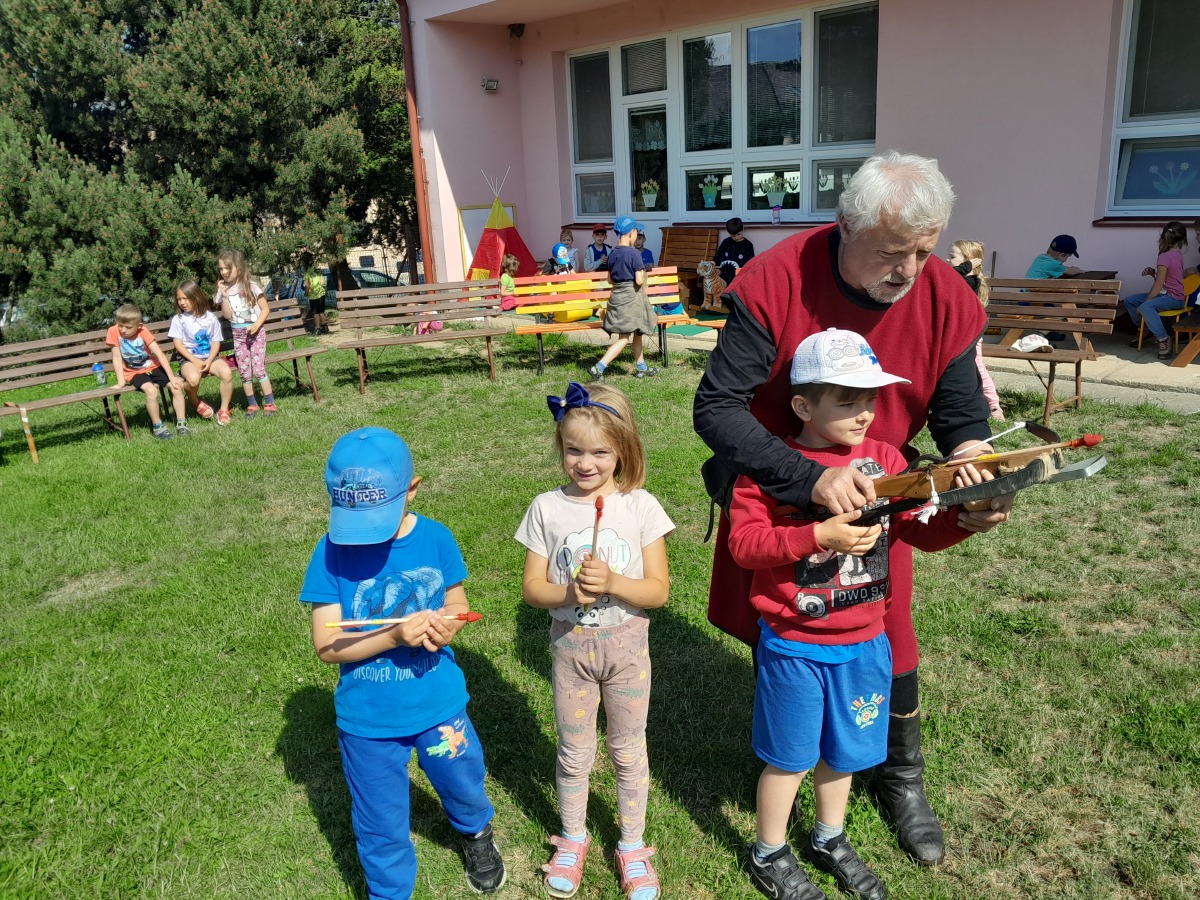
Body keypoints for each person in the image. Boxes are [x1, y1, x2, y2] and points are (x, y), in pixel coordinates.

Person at [694, 150, 1011, 868]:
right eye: (892, 252)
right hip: (778, 489)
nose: (910, 270)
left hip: (879, 488)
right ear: (845, 226)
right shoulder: (777, 279)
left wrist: (972, 470)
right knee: (789, 624)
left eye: (924, 251)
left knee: (886, 633)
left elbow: (960, 414)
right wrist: (808, 479)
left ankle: (901, 778)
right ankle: (793, 749)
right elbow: (717, 407)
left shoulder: (944, 295)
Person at [734, 329, 974, 900]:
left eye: (870, 398)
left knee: (843, 754)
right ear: (803, 406)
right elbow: (745, 545)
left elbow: (917, 528)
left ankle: (829, 837)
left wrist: (966, 518)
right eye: (847, 400)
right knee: (790, 759)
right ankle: (769, 852)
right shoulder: (770, 466)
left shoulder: (887, 459)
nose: (865, 412)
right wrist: (817, 535)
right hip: (795, 644)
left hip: (866, 642)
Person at [300, 427, 507, 899]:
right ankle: (389, 891)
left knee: (462, 780)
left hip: (438, 702)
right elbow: (328, 644)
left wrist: (450, 625)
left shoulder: (435, 539)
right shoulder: (330, 551)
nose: (364, 534)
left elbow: (457, 604)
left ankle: (476, 831)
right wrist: (391, 636)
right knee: (379, 818)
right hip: (367, 719)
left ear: (412, 489)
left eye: (376, 519)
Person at [515, 382, 673, 900]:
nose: (585, 463)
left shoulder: (640, 507)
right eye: (574, 450)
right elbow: (532, 589)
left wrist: (614, 583)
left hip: (627, 654)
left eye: (600, 452)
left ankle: (632, 844)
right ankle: (573, 836)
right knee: (574, 750)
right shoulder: (546, 508)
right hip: (571, 651)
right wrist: (570, 592)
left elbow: (658, 592)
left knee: (628, 750)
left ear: (623, 451)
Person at [589, 216, 658, 381]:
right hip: (631, 299)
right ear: (631, 233)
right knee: (624, 338)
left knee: (638, 331)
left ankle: (641, 367)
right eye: (636, 232)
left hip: (617, 297)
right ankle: (599, 367)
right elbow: (639, 281)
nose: (637, 235)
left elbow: (609, 280)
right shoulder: (634, 253)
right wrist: (643, 273)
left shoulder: (612, 253)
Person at [106, 303, 188, 439]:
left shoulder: (143, 331)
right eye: (120, 325)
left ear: (139, 326)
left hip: (153, 366)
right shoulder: (113, 332)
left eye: (128, 327)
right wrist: (121, 382)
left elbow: (159, 354)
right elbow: (117, 358)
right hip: (134, 372)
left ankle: (181, 423)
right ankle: (158, 426)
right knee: (151, 391)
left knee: (176, 387)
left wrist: (172, 377)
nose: (123, 330)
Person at [213, 248, 276, 418]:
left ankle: (270, 402)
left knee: (258, 369)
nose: (223, 272)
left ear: (239, 267)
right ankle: (252, 404)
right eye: (221, 268)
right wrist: (224, 296)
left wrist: (256, 325)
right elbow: (227, 315)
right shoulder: (223, 290)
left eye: (228, 268)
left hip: (256, 334)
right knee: (244, 371)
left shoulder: (251, 286)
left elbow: (265, 309)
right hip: (238, 335)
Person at [948, 240, 1004, 419]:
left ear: (969, 261)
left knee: (978, 367)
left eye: (952, 256)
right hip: (955, 336)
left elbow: (950, 276)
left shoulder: (970, 282)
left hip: (970, 337)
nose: (947, 260)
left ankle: (994, 407)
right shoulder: (960, 278)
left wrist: (965, 268)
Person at [169, 280, 235, 426]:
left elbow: (216, 342)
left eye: (185, 298)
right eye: (179, 299)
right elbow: (178, 345)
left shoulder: (210, 318)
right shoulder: (178, 319)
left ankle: (224, 409)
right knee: (193, 379)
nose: (182, 302)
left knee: (227, 373)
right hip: (188, 360)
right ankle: (194, 401)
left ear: (196, 297)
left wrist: (209, 360)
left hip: (210, 358)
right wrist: (195, 361)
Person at [1124, 221, 1188, 360]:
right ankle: (1146, 329)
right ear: (1183, 240)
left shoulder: (1164, 256)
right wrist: (1154, 273)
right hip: (1167, 295)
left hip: (1173, 298)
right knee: (1130, 301)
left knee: (1144, 307)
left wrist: (1145, 303)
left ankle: (1163, 338)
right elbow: (1168, 280)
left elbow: (1159, 284)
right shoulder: (1177, 254)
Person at [714, 217, 756, 285]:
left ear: (743, 230)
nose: (736, 237)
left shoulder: (748, 245)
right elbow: (718, 257)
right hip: (723, 277)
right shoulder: (726, 242)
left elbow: (750, 264)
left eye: (738, 234)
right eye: (733, 236)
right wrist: (717, 268)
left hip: (738, 279)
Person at [303, 258, 330, 335]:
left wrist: (306, 293)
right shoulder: (318, 272)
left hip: (313, 296)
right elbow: (322, 283)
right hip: (321, 294)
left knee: (315, 313)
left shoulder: (307, 274)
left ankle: (318, 328)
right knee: (321, 312)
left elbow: (307, 286)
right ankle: (325, 327)